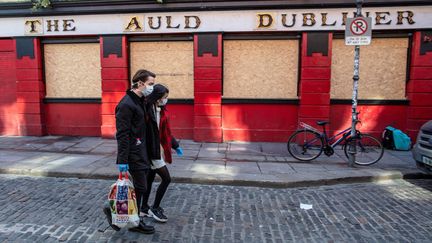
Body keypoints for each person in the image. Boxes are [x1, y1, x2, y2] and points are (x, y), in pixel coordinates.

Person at [103, 69, 156, 234]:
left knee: (140, 187)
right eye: (150, 84)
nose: (151, 87)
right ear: (140, 83)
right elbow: (122, 134)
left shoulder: (140, 100)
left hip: (142, 151)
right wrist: (123, 160)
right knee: (141, 186)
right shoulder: (126, 104)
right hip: (133, 153)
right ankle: (132, 221)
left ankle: (128, 218)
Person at [142, 84, 183, 223]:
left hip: (157, 149)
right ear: (158, 97)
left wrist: (175, 145)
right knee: (166, 179)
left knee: (149, 179)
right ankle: (155, 208)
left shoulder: (160, 110)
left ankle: (143, 208)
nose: (166, 99)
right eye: (165, 97)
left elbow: (165, 132)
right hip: (151, 152)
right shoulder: (147, 110)